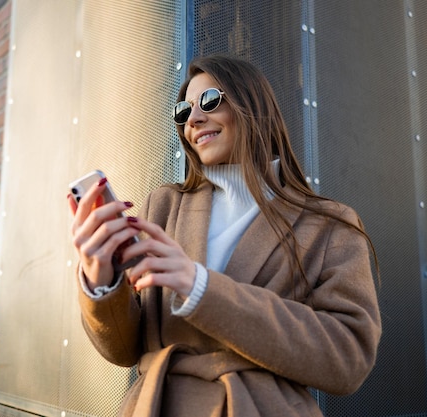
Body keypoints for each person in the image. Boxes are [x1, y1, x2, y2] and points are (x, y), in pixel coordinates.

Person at [67, 54, 381, 417]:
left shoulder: (329, 225)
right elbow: (123, 351)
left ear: (253, 106)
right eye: (183, 112)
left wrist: (202, 287)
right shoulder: (165, 205)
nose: (194, 120)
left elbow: (349, 358)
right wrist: (100, 282)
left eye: (210, 101)